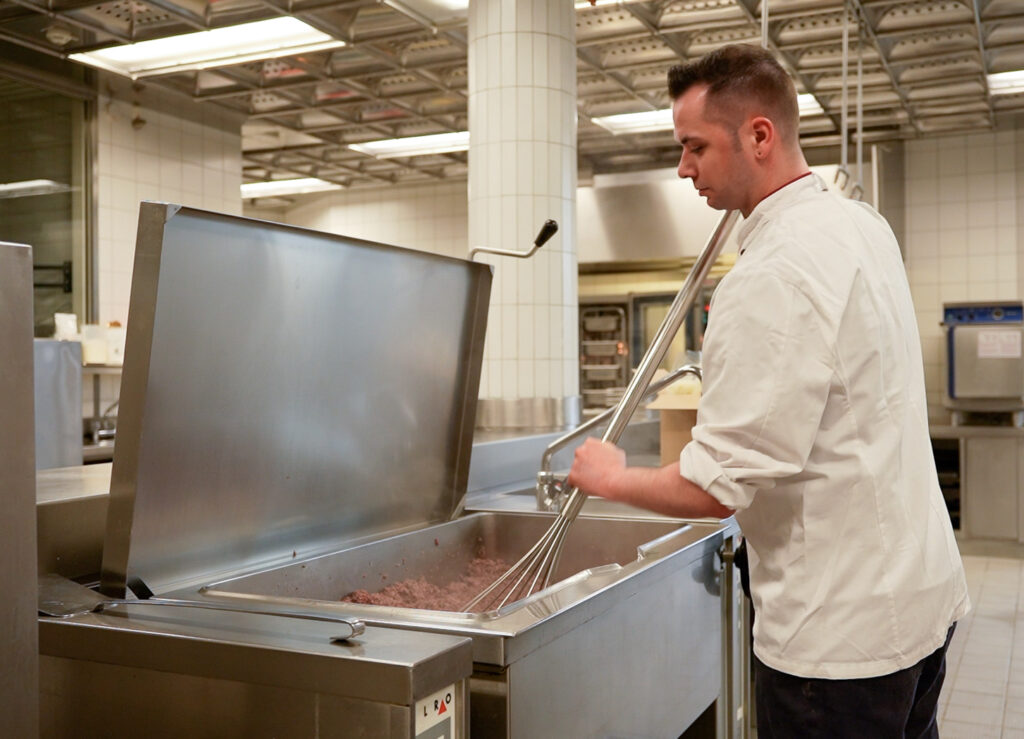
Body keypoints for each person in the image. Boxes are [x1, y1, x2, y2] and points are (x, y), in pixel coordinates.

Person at [567, 44, 969, 739]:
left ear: (759, 135)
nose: (683, 167)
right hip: (919, 603)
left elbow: (715, 488)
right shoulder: (863, 227)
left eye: (694, 146)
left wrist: (613, 476)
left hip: (836, 647)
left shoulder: (771, 273)